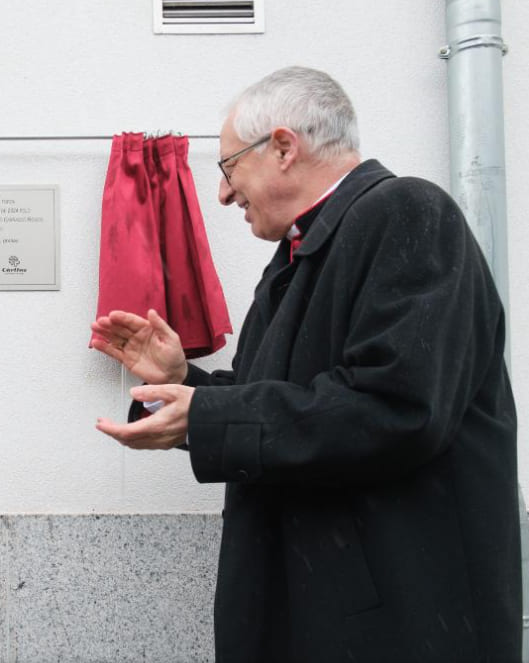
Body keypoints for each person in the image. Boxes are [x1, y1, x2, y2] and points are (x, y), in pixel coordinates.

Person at [92, 67, 519, 661]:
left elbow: (394, 409)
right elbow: (290, 401)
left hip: (393, 629)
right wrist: (182, 382)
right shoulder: (301, 254)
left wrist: (208, 415)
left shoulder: (408, 212)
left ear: (284, 148)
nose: (223, 194)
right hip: (332, 615)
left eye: (228, 168)